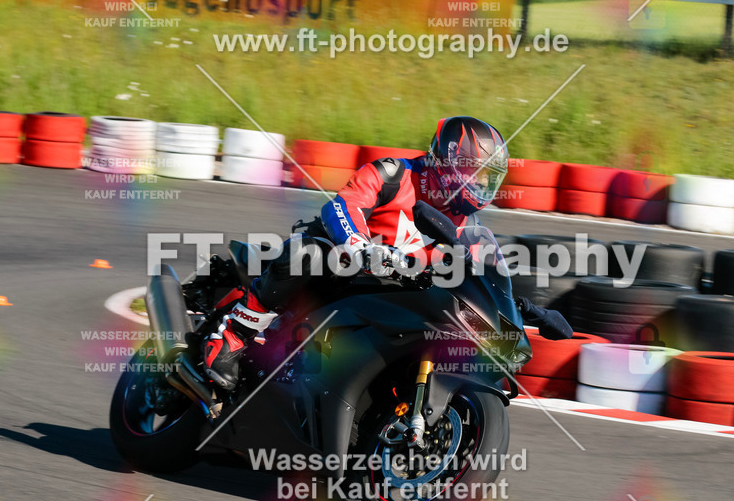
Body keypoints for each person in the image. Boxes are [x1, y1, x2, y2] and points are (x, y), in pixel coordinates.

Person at [201, 116, 513, 390]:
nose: (480, 185)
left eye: (488, 178)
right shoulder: (394, 174)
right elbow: (342, 206)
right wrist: (360, 246)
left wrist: (519, 308)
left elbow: (484, 279)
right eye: (474, 173)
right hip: (341, 268)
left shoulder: (469, 229)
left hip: (394, 295)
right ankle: (232, 337)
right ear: (446, 160)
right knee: (306, 254)